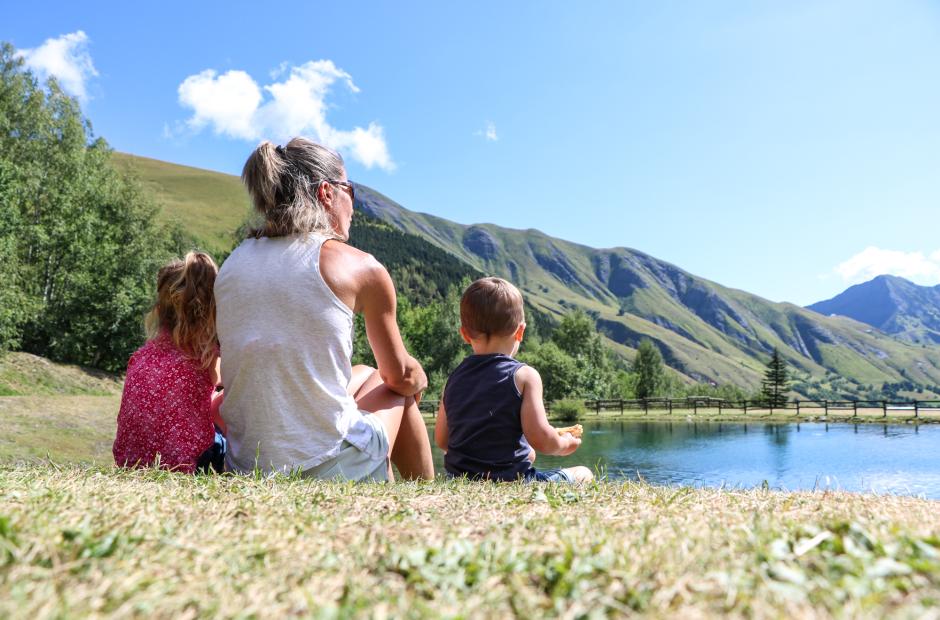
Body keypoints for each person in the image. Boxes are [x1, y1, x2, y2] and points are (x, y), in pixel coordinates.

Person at [215, 137, 433, 481]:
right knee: (399, 391)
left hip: (247, 464)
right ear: (327, 193)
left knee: (368, 372)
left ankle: (383, 482)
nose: (353, 206)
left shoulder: (232, 265)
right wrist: (420, 380)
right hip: (324, 464)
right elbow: (400, 376)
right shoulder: (360, 267)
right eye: (350, 190)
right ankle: (424, 493)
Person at [434, 277, 593, 483]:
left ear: (464, 334)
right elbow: (542, 439)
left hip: (458, 480)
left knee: (529, 454)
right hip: (512, 480)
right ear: (520, 331)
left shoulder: (454, 378)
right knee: (584, 473)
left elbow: (443, 440)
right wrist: (565, 444)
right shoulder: (525, 376)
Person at [113, 252, 226, 474]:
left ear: (159, 309)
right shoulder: (204, 356)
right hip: (185, 464)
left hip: (129, 463)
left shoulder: (141, 357)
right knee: (227, 413)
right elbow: (227, 398)